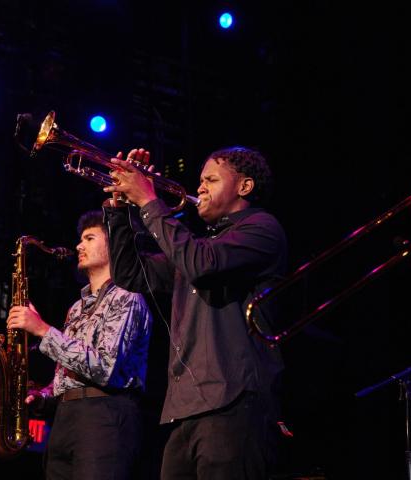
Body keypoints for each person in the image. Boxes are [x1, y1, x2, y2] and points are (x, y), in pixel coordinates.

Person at [101, 146, 287, 479]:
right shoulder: (196, 246)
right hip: (185, 408)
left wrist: (148, 200)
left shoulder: (261, 228)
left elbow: (200, 264)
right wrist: (121, 209)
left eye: (211, 179)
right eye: (200, 180)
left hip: (234, 401)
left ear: (245, 187)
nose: (199, 187)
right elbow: (130, 273)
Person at [6, 211, 152, 480]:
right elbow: (72, 372)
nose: (78, 246)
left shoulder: (127, 297)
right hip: (66, 417)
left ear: (115, 246)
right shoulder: (76, 308)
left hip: (105, 416)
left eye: (89, 238)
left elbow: (105, 367)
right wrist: (44, 395)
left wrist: (42, 330)